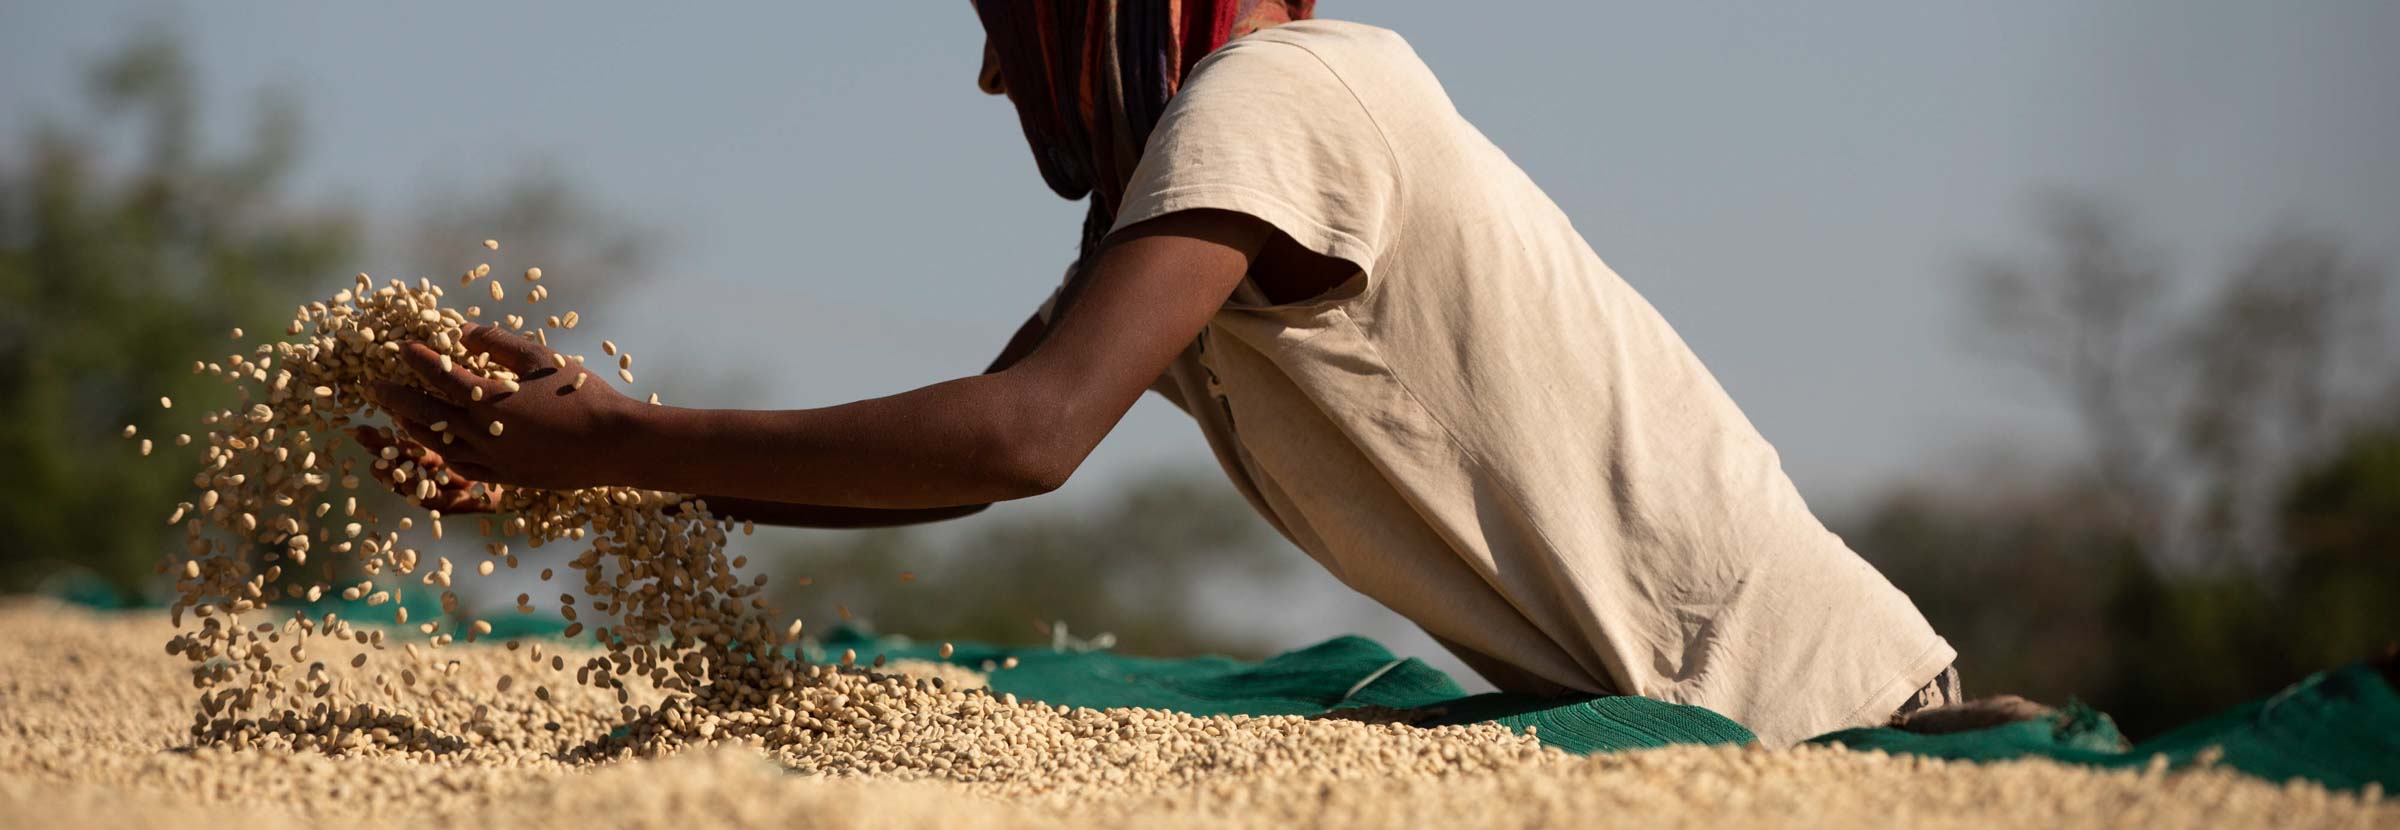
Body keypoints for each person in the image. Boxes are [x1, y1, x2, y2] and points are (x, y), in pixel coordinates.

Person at [361, 1, 1964, 748]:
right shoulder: (1191, 200)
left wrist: (614, 438)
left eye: (1011, 13)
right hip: (1691, 716)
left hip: (1809, 714)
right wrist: (587, 452)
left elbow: (1024, 438)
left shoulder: (1279, 96)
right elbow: (953, 449)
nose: (995, 65)